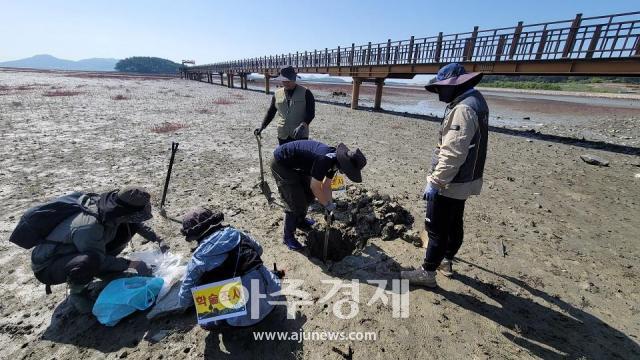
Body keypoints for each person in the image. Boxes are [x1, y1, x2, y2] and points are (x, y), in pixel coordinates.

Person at [402, 63, 489, 288]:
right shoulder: (477, 101)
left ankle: (427, 272)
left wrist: (436, 182)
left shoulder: (463, 109)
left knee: (436, 227)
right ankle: (446, 260)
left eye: (442, 87)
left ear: (456, 85)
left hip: (451, 182)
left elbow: (453, 153)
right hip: (466, 179)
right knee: (454, 221)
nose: (440, 92)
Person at [31, 186, 167, 313]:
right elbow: (97, 258)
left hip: (83, 250)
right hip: (49, 266)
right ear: (124, 212)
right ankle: (78, 294)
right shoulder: (89, 227)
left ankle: (104, 272)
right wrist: (132, 264)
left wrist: (157, 238)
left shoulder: (114, 211)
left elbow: (135, 223)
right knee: (89, 261)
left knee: (128, 227)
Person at [177, 207, 282, 327]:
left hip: (241, 320)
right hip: (273, 298)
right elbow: (259, 250)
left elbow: (183, 300)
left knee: (203, 309)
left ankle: (221, 321)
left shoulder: (198, 258)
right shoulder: (237, 234)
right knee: (255, 267)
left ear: (192, 236)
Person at [270, 140, 367, 250]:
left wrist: (330, 208)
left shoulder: (334, 162)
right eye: (347, 171)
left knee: (309, 195)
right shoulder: (325, 160)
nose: (345, 173)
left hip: (297, 165)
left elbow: (326, 185)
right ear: (344, 164)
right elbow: (315, 187)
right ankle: (288, 237)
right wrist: (326, 204)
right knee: (295, 202)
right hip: (281, 163)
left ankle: (300, 221)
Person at [254, 65, 316, 145]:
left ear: (294, 79)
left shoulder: (306, 93)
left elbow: (311, 113)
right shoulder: (277, 94)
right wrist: (262, 127)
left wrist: (303, 125)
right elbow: (271, 112)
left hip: (300, 135)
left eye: (288, 80)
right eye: (283, 80)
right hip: (282, 135)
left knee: (299, 157)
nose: (285, 83)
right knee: (284, 156)